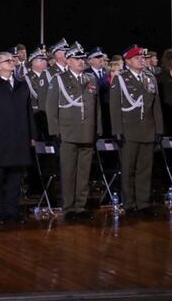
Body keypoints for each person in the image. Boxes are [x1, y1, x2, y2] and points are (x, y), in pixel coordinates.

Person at [0, 51, 35, 222]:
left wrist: (32, 135)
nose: (12, 62)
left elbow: (28, 113)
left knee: (15, 177)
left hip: (19, 138)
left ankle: (13, 210)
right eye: (7, 60)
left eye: (12, 60)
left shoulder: (21, 85)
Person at [45, 44, 97, 218]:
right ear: (68, 61)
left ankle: (80, 206)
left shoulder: (90, 79)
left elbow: (95, 107)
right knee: (68, 172)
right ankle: (68, 208)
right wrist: (55, 131)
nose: (81, 62)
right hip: (67, 132)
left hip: (87, 131)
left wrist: (97, 129)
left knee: (84, 172)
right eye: (77, 59)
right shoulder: (59, 79)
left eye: (82, 59)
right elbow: (51, 107)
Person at [109, 45, 163, 214]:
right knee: (128, 170)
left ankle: (143, 203)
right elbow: (114, 107)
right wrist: (117, 130)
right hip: (128, 131)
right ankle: (129, 203)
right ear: (128, 62)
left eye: (142, 58)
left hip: (147, 129)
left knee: (145, 170)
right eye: (137, 58)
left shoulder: (150, 78)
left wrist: (159, 129)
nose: (141, 61)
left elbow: (156, 106)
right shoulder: (120, 79)